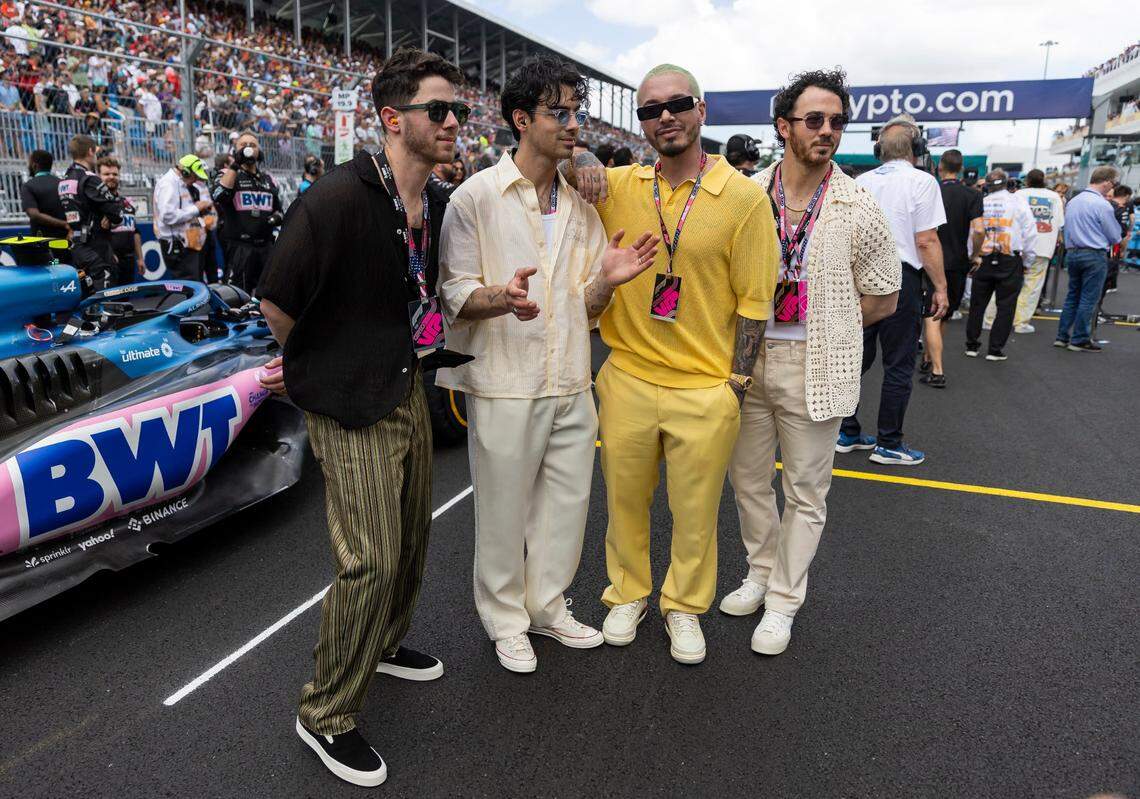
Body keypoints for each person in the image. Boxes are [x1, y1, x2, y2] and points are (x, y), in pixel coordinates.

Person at [257, 48, 464, 788]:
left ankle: (381, 641)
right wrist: (316, 368)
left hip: (408, 384)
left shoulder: (436, 203)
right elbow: (276, 303)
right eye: (438, 110)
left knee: (411, 540)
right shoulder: (336, 197)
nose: (452, 122)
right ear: (391, 119)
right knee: (370, 556)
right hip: (348, 403)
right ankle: (325, 712)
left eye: (458, 111)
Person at [438, 57, 659, 673]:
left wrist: (608, 284)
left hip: (570, 378)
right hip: (504, 382)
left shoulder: (583, 207)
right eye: (558, 113)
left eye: (576, 113)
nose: (572, 126)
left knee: (567, 505)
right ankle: (505, 618)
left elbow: (585, 305)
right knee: (503, 512)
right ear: (520, 120)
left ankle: (548, 606)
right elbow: (454, 291)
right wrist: (499, 299)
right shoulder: (474, 199)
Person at [567, 63, 779, 665]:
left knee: (695, 515)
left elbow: (756, 304)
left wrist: (735, 384)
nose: (665, 117)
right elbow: (551, 158)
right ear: (641, 123)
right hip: (629, 375)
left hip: (706, 387)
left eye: (677, 104)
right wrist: (579, 150)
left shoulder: (742, 199)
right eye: (650, 109)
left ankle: (684, 606)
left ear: (701, 110)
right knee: (624, 504)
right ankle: (627, 593)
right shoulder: (619, 185)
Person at [717, 69, 900, 655]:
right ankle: (759, 571)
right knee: (747, 481)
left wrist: (831, 326)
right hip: (745, 358)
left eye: (837, 122)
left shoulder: (857, 203)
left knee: (804, 491)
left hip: (816, 362)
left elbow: (883, 296)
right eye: (814, 119)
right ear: (783, 126)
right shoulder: (744, 194)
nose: (827, 131)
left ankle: (784, 600)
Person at [838, 115, 948, 466]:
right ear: (918, 148)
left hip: (859, 278)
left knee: (855, 360)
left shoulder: (860, 181)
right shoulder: (922, 181)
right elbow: (926, 241)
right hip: (901, 277)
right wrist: (941, 287)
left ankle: (847, 431)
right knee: (898, 363)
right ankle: (889, 443)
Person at [919, 149, 982, 387]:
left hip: (931, 261)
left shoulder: (931, 191)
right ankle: (928, 358)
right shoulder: (972, 194)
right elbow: (979, 229)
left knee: (931, 317)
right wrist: (974, 256)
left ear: (939, 167)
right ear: (962, 168)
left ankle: (936, 370)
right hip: (958, 263)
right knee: (941, 316)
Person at [964, 169, 1036, 361]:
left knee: (977, 304)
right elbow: (1030, 233)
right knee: (1006, 305)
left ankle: (972, 345)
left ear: (987, 184)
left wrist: (972, 257)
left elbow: (973, 232)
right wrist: (1028, 261)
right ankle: (995, 350)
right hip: (1009, 259)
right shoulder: (1018, 202)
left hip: (983, 258)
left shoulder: (982, 202)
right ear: (1007, 183)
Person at [983, 169, 1063, 334]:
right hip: (1043, 245)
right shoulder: (1055, 197)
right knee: (1032, 287)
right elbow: (1060, 223)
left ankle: (990, 319)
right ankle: (1021, 323)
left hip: (1016, 246)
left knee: (1000, 286)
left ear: (1027, 180)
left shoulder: (1018, 195)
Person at [1055, 166, 1123, 352]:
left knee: (1072, 296)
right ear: (1107, 182)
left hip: (1073, 252)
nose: (1113, 188)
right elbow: (1115, 235)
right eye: (1113, 184)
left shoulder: (1074, 201)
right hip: (1094, 253)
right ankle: (1079, 339)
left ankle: (1062, 336)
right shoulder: (1102, 205)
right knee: (1088, 298)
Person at [211, 130, 283, 294]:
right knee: (237, 294)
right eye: (243, 145)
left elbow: (280, 211)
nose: (248, 148)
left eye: (253, 145)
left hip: (265, 247)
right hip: (240, 248)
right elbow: (218, 195)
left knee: (270, 295)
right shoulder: (228, 174)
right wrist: (235, 165)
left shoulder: (269, 179)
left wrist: (274, 219)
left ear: (259, 151)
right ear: (235, 150)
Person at [58, 134, 122, 292]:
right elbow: (116, 213)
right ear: (90, 151)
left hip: (76, 244)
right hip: (94, 244)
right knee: (106, 294)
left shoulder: (64, 179)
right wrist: (110, 215)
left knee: (86, 292)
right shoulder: (89, 178)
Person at [152, 153, 213, 280]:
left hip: (185, 243)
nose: (195, 180)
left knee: (194, 286)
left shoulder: (178, 183)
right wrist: (196, 208)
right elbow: (168, 216)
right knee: (189, 287)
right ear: (185, 172)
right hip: (176, 245)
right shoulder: (169, 184)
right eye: (194, 176)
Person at [97, 156, 143, 285]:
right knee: (110, 302)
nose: (111, 177)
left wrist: (140, 259)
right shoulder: (95, 204)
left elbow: (135, 232)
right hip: (106, 261)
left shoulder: (127, 203)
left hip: (128, 260)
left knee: (125, 300)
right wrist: (109, 254)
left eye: (115, 174)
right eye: (106, 174)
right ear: (98, 176)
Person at [20, 149, 68, 238]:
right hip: (65, 239)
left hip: (42, 241)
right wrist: (66, 225)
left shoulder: (28, 186)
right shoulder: (63, 183)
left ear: (34, 165)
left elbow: (34, 214)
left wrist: (63, 224)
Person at [1105, 184, 1133, 293]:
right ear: (1126, 196)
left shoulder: (1104, 205)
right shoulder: (1122, 209)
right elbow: (1122, 230)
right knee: (1111, 265)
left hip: (1101, 241)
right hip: (1114, 243)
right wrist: (1123, 247)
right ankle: (1106, 287)